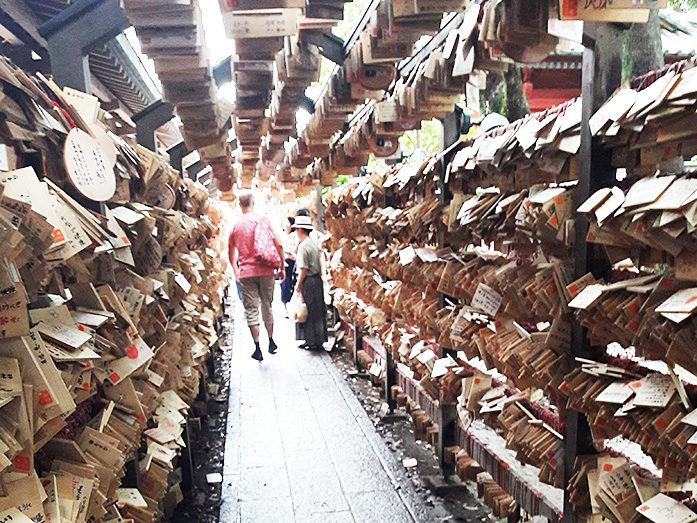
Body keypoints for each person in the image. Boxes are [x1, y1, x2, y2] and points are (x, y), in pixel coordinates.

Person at [228, 191, 285, 361]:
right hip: (266, 271)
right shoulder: (263, 220)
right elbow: (279, 244)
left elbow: (231, 251)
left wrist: (235, 270)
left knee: (251, 310)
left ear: (240, 205)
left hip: (246, 273)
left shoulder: (236, 225)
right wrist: (281, 266)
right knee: (266, 305)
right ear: (253, 203)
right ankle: (271, 341)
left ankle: (257, 347)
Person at [294, 215, 327, 350]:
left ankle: (311, 340)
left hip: (309, 280)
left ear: (300, 230)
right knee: (317, 311)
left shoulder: (303, 246)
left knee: (309, 311)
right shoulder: (313, 243)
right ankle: (318, 339)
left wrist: (298, 284)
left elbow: (303, 269)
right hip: (316, 280)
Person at [280, 216, 298, 316]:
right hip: (284, 262)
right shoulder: (282, 236)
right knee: (284, 285)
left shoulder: (295, 235)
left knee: (293, 283)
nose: (285, 224)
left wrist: (290, 253)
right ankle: (286, 307)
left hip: (293, 261)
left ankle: (293, 306)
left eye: (287, 222)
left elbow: (295, 248)